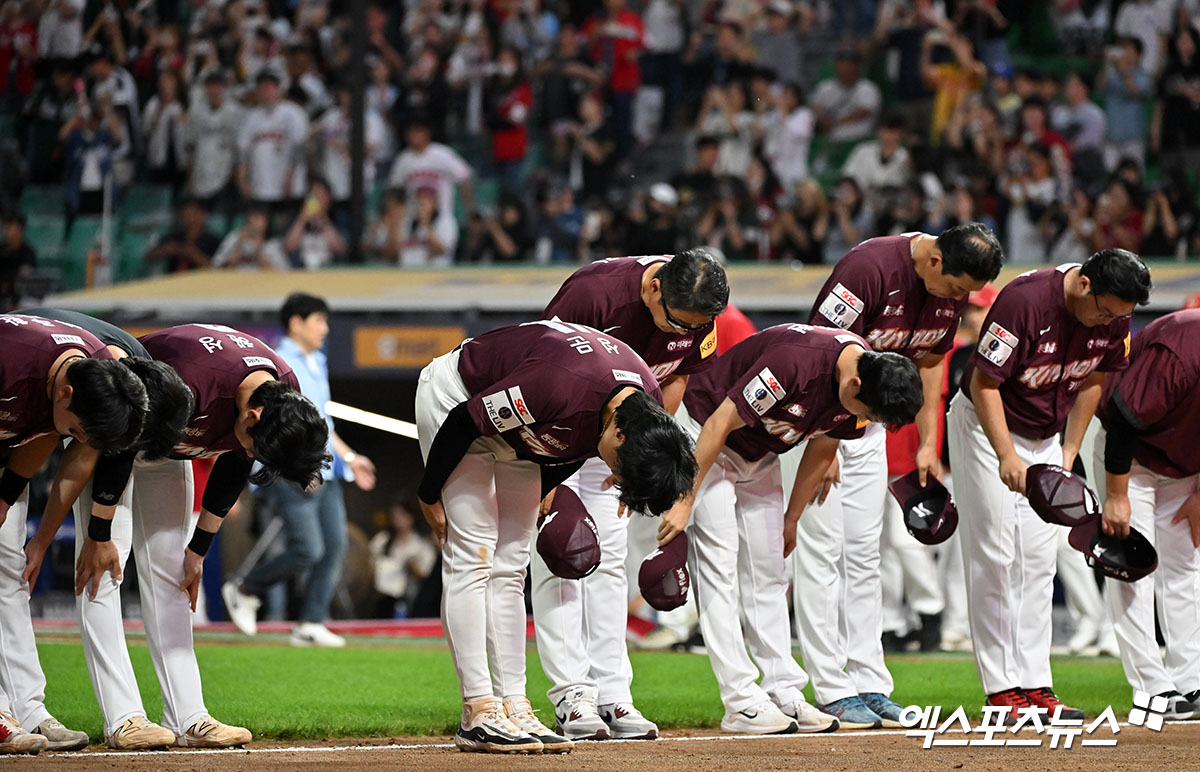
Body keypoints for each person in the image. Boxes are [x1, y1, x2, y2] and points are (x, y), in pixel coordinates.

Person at [415, 321, 697, 754]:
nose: (616, 477)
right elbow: (465, 421)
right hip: (459, 398)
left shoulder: (645, 409)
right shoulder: (558, 384)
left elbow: (578, 446)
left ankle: (514, 704)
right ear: (620, 434)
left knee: (512, 565)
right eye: (621, 469)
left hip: (524, 429)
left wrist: (544, 490)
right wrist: (429, 492)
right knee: (472, 554)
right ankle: (478, 710)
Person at [64, 323, 329, 748]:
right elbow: (120, 439)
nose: (251, 453)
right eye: (255, 446)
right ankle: (124, 718)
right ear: (253, 416)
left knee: (176, 575)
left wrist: (198, 550)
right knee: (103, 571)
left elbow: (237, 458)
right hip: (115, 436)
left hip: (171, 449)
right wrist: (99, 532)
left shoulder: (282, 396)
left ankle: (188, 716)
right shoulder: (195, 381)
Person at [793, 223, 1004, 729]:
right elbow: (819, 353)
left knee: (864, 555)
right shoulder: (868, 269)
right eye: (956, 287)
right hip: (821, 420)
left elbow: (931, 363)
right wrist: (824, 442)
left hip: (870, 428)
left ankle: (870, 682)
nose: (956, 298)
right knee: (822, 553)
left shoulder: (949, 287)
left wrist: (929, 441)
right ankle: (831, 687)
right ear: (935, 261)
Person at [663, 323, 922, 733]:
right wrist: (684, 499)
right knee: (719, 566)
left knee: (770, 571)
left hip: (759, 451)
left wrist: (792, 518)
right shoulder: (793, 364)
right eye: (868, 414)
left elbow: (824, 444)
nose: (864, 421)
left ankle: (783, 690)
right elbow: (719, 423)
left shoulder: (861, 379)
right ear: (854, 384)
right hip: (705, 435)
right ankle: (740, 700)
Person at [531, 250, 728, 742]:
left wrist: (639, 457)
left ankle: (613, 693)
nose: (685, 332)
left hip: (622, 440)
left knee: (611, 560)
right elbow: (543, 371)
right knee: (563, 554)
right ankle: (572, 696)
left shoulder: (698, 310)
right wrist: (547, 474)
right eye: (677, 323)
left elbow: (678, 375)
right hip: (563, 432)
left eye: (696, 326)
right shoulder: (594, 294)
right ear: (655, 287)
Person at [947, 249, 1151, 720]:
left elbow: (1095, 379)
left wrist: (1068, 451)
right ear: (1084, 285)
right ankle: (1002, 690)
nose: (1109, 322)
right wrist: (1006, 455)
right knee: (995, 555)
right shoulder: (1025, 301)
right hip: (987, 427)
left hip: (1046, 436)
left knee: (1039, 561)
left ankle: (1036, 683)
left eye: (1118, 316)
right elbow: (983, 385)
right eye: (1105, 312)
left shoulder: (1112, 314)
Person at [13, 309, 191, 750]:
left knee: (81, 560)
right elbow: (72, 450)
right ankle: (113, 717)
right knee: (27, 565)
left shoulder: (125, 387)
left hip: (50, 395)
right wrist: (92, 534)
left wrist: (44, 541)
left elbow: (87, 453)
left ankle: (36, 712)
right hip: (23, 387)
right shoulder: (96, 383)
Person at [0, 313, 148, 753]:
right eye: (78, 429)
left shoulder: (96, 372)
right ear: (65, 394)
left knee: (10, 574)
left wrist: (6, 500)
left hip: (9, 448)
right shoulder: (10, 359)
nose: (78, 437)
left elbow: (47, 433)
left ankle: (28, 710)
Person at [224, 294, 376, 648]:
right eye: (319, 320)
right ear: (296, 323)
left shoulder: (317, 361)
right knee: (308, 549)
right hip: (290, 470)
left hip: (325, 470)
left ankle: (310, 622)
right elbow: (277, 424)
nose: (325, 328)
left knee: (335, 547)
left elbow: (324, 423)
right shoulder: (278, 363)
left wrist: (350, 458)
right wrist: (298, 469)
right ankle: (244, 587)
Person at [1092, 308, 1200, 719]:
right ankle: (1152, 687)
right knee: (1133, 567)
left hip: (1185, 465)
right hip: (1130, 458)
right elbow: (1124, 418)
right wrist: (1117, 496)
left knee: (1186, 565)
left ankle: (1191, 680)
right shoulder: (1182, 348)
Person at [236, 71, 310, 233]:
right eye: (263, 88)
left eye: (270, 87)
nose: (267, 92)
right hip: (260, 187)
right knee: (263, 233)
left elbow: (299, 149)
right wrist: (242, 181)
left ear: (278, 90)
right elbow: (243, 153)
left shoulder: (293, 113)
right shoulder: (251, 117)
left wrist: (290, 179)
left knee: (288, 232)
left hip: (289, 190)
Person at [386, 118, 474, 218]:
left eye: (418, 131)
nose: (414, 136)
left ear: (427, 133)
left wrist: (469, 211)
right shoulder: (403, 159)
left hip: (442, 216)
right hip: (413, 217)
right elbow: (394, 190)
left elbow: (464, 178)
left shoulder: (442, 154)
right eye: (411, 132)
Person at [369, 503, 437, 619]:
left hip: (410, 596)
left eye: (401, 515)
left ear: (411, 518)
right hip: (382, 596)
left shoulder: (420, 544)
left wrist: (413, 568)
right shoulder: (383, 539)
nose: (397, 519)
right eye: (394, 516)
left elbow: (426, 572)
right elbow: (368, 560)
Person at [144, 198, 221, 274]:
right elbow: (148, 256)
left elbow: (216, 268)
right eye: (185, 215)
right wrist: (165, 249)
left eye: (192, 214)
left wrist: (192, 254)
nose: (189, 219)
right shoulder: (175, 236)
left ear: (202, 214)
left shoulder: (212, 240)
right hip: (173, 279)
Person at [212, 206, 290, 271]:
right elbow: (217, 267)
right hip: (235, 282)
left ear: (267, 222)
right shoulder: (234, 237)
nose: (254, 222)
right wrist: (239, 244)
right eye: (252, 218)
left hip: (262, 283)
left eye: (258, 218)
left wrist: (258, 252)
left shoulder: (272, 243)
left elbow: (283, 273)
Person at [0, 212, 34, 310]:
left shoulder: (27, 252)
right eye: (5, 227)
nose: (7, 231)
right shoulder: (1, 250)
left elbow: (26, 275)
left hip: (21, 297)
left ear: (20, 229)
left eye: (10, 227)